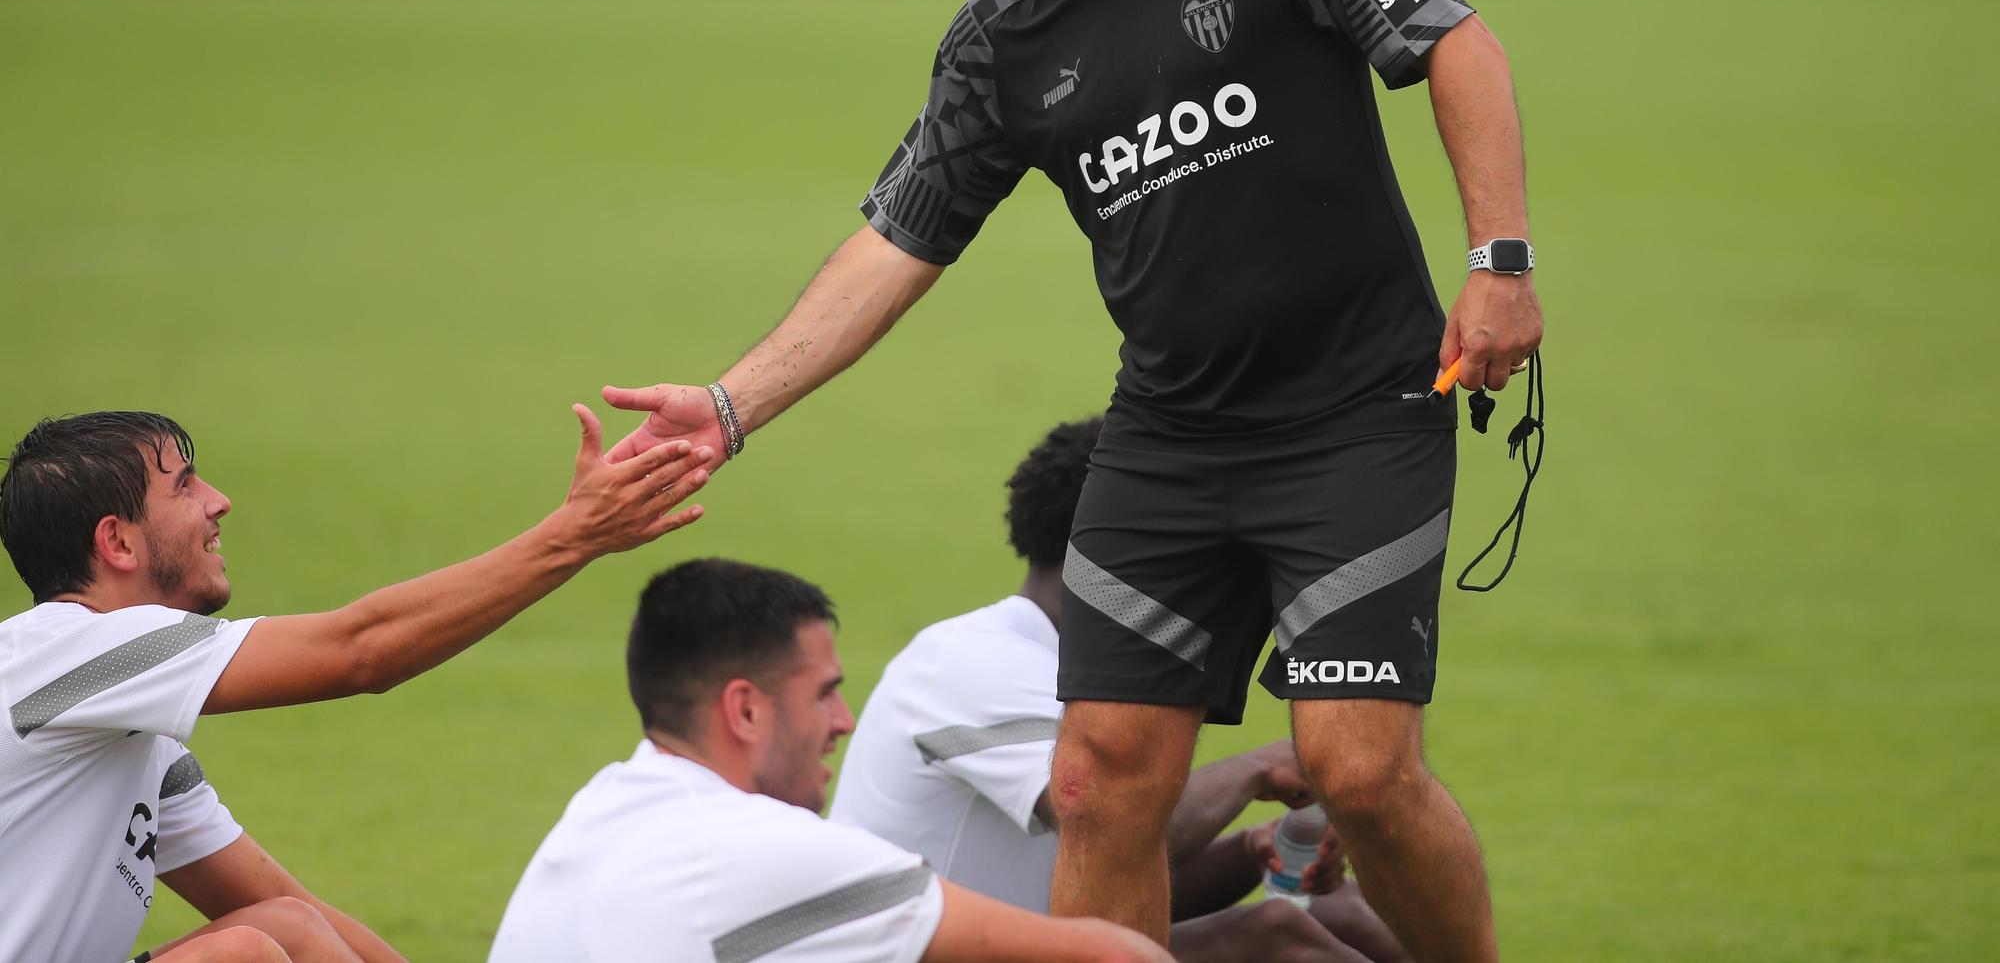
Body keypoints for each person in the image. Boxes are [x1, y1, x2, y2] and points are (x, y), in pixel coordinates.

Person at [599, 0, 1541, 960]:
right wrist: (727, 407)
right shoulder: (998, 41)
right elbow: (895, 242)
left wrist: (1497, 262)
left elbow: (1454, 41)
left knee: (1358, 770)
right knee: (1099, 780)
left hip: (1355, 419)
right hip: (1169, 440)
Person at [0, 407, 711, 963]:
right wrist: (573, 535)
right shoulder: (64, 655)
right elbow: (362, 650)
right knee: (245, 952)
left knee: (286, 928)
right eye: (183, 484)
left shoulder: (129, 730)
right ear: (116, 542)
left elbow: (284, 905)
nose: (219, 501)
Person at [831, 417, 1408, 963]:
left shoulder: (1084, 673)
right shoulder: (973, 664)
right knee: (1277, 940)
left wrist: (1251, 852)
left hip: (1016, 944)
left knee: (1336, 908)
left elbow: (1111, 875)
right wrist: (1255, 769)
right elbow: (1110, 825)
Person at [488, 557, 1169, 963]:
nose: (844, 722)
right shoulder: (762, 851)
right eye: (824, 695)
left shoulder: (603, 808)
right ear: (746, 710)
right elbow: (1107, 954)